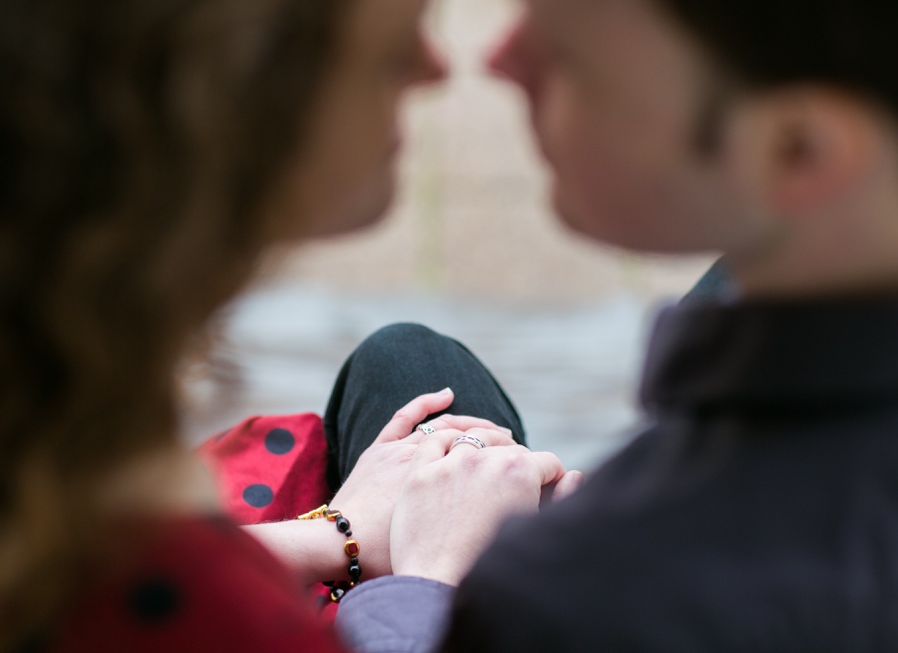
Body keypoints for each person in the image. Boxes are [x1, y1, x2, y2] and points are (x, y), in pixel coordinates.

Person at [0, 0, 573, 650]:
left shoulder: (26, 405)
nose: (435, 68)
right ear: (242, 100)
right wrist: (436, 582)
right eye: (392, 47)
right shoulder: (203, 608)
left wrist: (333, 532)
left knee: (410, 368)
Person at [336, 0, 898, 650]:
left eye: (569, 56)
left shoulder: (568, 591)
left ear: (796, 149)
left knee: (407, 366)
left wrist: (431, 582)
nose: (498, 60)